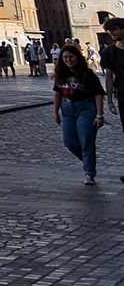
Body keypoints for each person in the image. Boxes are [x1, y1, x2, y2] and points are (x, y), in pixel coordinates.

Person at [52, 46, 106, 185]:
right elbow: (57, 93)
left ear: (77, 57)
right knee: (69, 142)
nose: (68, 60)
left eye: (71, 57)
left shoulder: (87, 74)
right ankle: (88, 160)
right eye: (65, 57)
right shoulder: (60, 73)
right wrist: (55, 111)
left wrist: (99, 115)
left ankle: (89, 172)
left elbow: (98, 94)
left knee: (86, 140)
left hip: (86, 108)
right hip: (68, 110)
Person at [101, 18, 124, 183]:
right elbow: (109, 77)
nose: (112, 34)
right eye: (110, 32)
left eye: (115, 30)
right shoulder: (109, 53)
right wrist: (109, 100)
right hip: (123, 97)